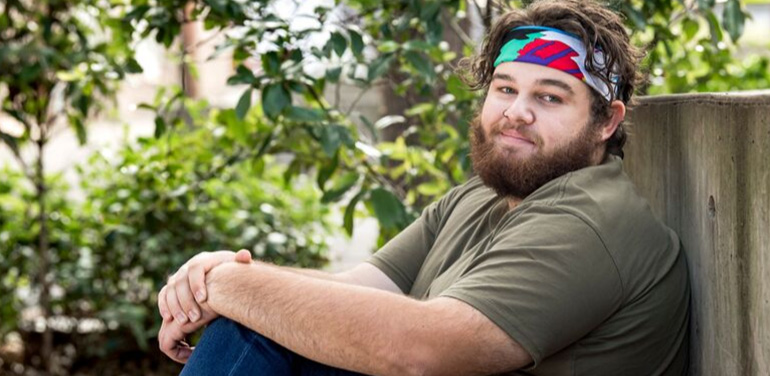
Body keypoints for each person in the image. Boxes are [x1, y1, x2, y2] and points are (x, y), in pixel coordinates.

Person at [156, 0, 691, 374]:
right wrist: (226, 274)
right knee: (264, 319)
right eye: (505, 88)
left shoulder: (589, 220)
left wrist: (232, 289)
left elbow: (421, 352)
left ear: (606, 121)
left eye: (550, 97)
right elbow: (357, 289)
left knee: (253, 321)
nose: (516, 112)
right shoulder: (480, 198)